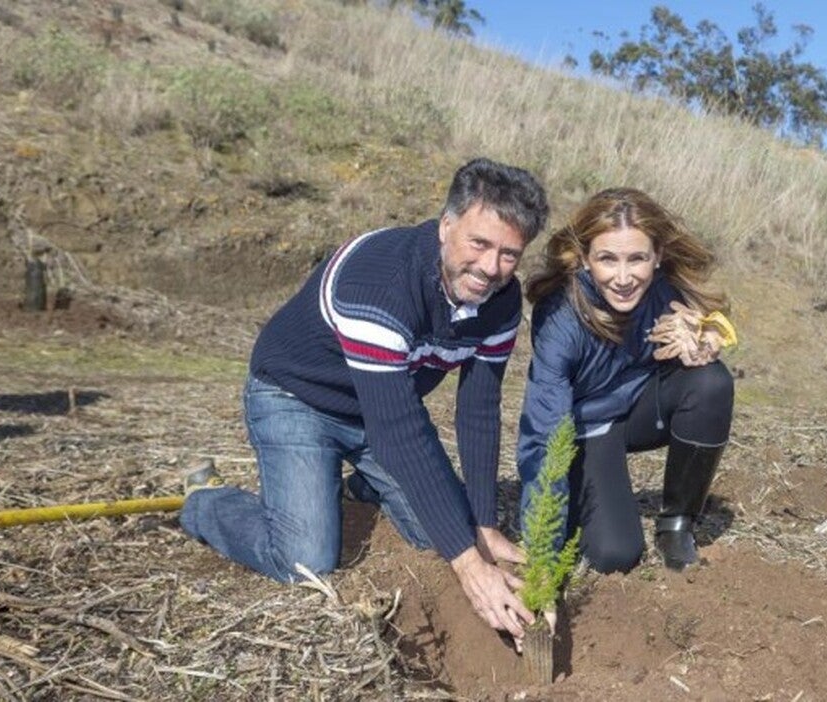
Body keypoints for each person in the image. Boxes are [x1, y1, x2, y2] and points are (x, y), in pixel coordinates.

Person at [181, 158, 550, 641]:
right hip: (295, 397)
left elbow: (478, 409)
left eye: (509, 254)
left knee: (437, 532)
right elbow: (396, 429)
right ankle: (205, 502)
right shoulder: (381, 283)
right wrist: (469, 565)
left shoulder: (501, 302)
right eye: (479, 243)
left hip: (375, 407)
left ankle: (362, 486)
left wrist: (482, 524)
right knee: (305, 559)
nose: (490, 268)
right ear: (446, 225)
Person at [516, 187, 735, 574]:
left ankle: (677, 524)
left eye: (637, 259)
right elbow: (542, 433)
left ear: (657, 257)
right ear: (584, 259)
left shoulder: (661, 289)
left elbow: (713, 315)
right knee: (615, 554)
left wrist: (710, 335)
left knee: (710, 383)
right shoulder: (560, 320)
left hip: (638, 410)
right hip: (587, 427)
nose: (623, 277)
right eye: (607, 259)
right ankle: (590, 500)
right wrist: (543, 554)